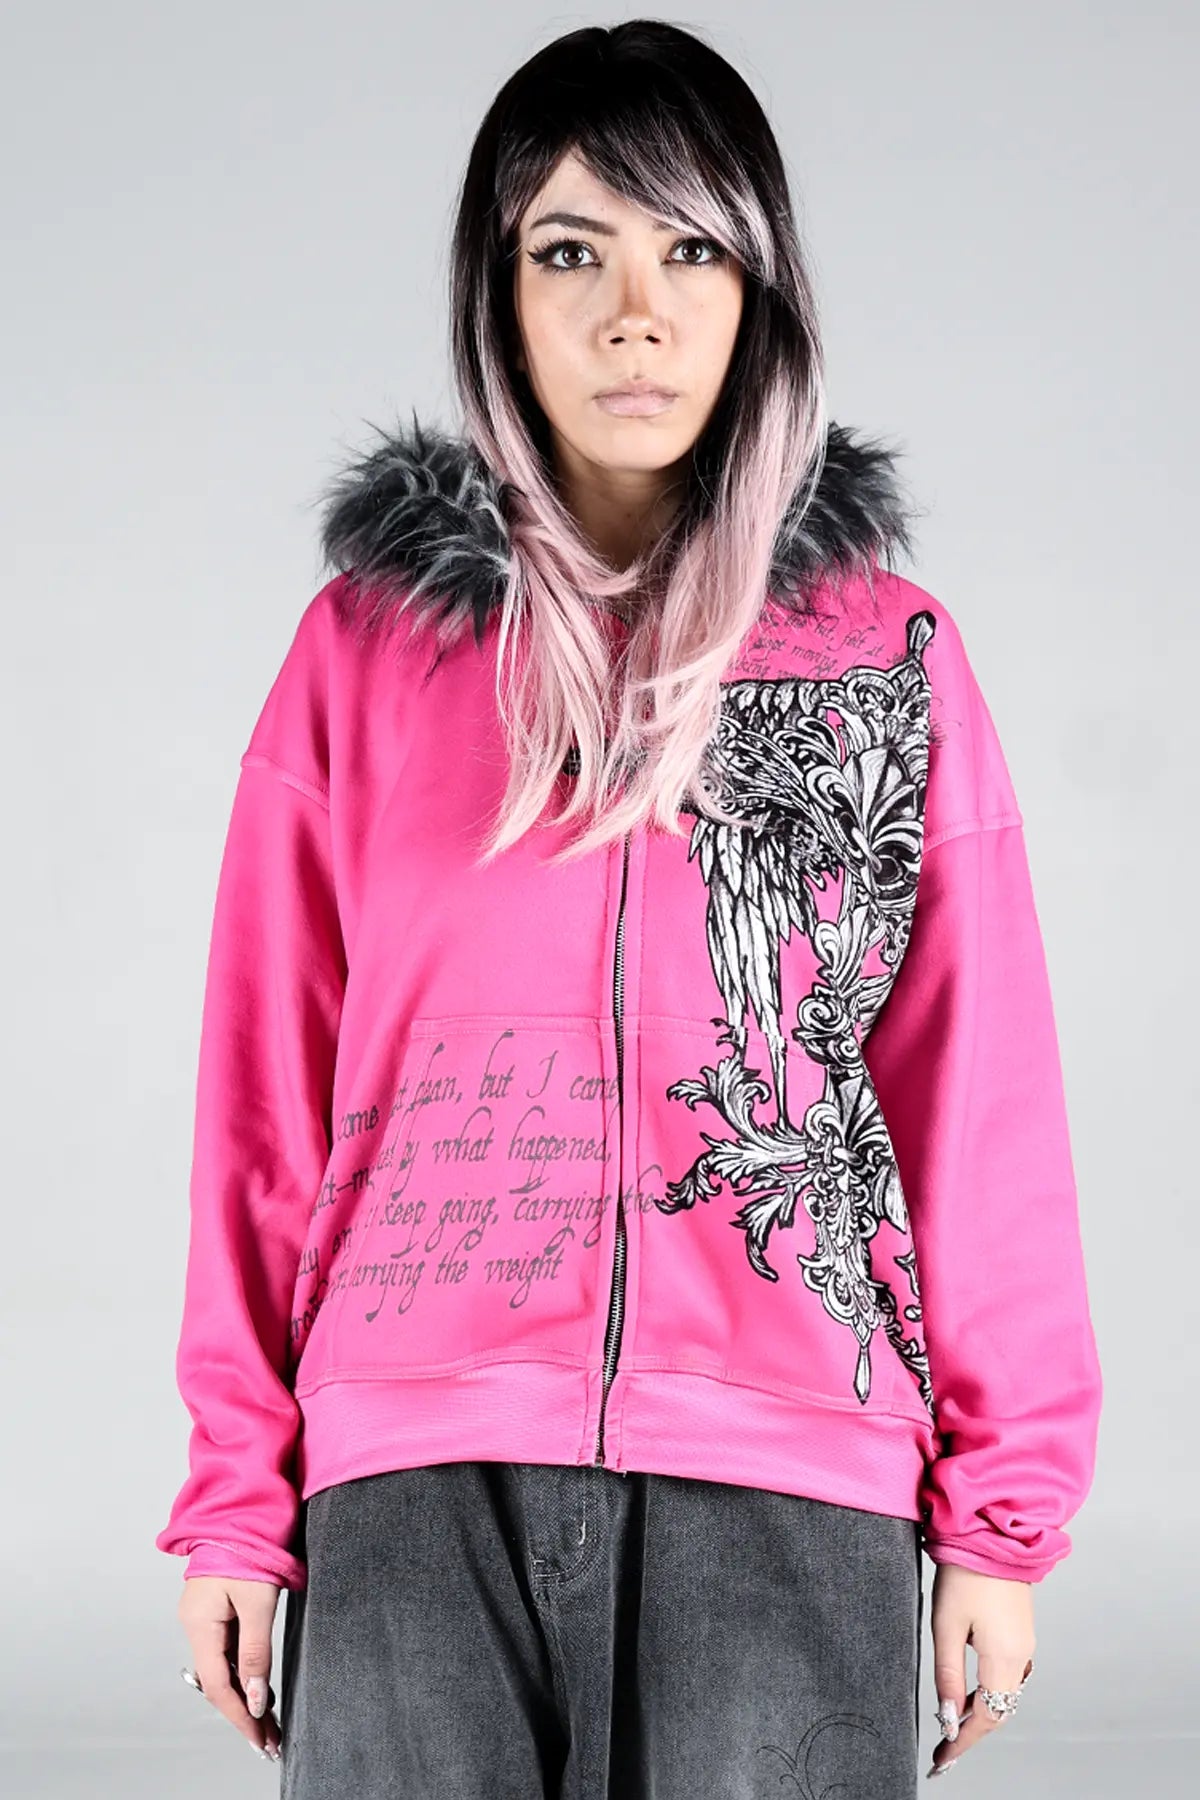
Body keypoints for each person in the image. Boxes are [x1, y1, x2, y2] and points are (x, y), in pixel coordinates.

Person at [155, 19, 1103, 1797]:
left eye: (691, 251)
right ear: (497, 294)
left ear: (761, 292)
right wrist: (235, 1499)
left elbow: (978, 1102)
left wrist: (1001, 1518)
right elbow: (260, 1103)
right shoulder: (364, 656)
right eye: (572, 254)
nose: (636, 317)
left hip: (792, 1471)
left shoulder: (886, 664)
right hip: (415, 1485)